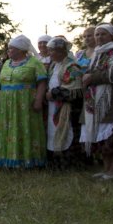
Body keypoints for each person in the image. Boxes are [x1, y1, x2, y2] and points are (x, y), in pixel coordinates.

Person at [81, 23, 113, 181]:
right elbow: (92, 72)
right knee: (102, 137)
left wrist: (91, 77)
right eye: (97, 34)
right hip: (97, 102)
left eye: (102, 34)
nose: (98, 37)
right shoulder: (98, 53)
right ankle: (106, 169)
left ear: (112, 36)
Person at [0, 35, 48, 168]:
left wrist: (38, 100)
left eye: (12, 48)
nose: (8, 50)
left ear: (21, 50)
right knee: (8, 128)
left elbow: (42, 82)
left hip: (25, 103)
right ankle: (7, 159)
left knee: (25, 128)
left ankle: (27, 160)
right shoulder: (6, 63)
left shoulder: (35, 63)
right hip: (6, 104)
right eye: (9, 48)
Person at [44, 37, 84, 169]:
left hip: (67, 109)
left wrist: (54, 93)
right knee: (53, 131)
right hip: (53, 107)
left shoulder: (72, 66)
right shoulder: (54, 66)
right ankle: (54, 162)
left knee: (66, 133)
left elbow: (75, 90)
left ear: (61, 51)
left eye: (52, 51)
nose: (50, 54)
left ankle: (68, 163)